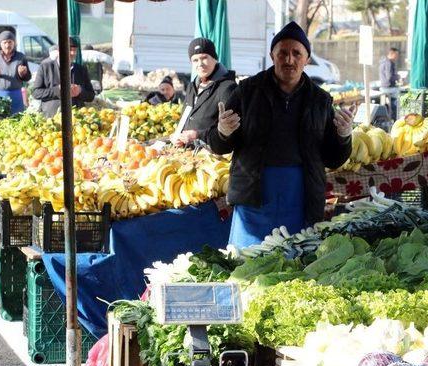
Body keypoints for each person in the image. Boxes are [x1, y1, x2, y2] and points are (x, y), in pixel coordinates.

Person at [205, 21, 354, 248]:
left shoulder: (320, 100)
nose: (289, 59)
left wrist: (343, 136)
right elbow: (218, 145)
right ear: (272, 55)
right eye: (282, 53)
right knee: (247, 260)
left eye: (297, 53)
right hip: (254, 192)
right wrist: (223, 132)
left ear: (307, 58)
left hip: (300, 194)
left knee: (295, 264)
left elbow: (333, 158)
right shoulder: (247, 91)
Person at [170, 38, 236, 148]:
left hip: (213, 157)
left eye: (204, 58)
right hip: (189, 154)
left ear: (215, 58)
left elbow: (230, 129)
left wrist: (198, 135)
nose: (200, 64)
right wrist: (178, 135)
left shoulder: (227, 87)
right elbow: (186, 117)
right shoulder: (192, 86)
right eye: (195, 60)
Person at [32, 38, 95, 118]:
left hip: (77, 120)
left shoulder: (81, 70)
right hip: (51, 119)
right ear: (59, 50)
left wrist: (80, 91)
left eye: (74, 50)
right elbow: (36, 93)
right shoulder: (45, 67)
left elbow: (91, 96)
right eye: (70, 50)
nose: (72, 53)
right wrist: (57, 90)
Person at [0, 30, 31, 114]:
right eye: (5, 42)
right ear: (0, 44)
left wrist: (23, 74)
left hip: (16, 95)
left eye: (10, 42)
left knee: (16, 120)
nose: (7, 45)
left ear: (14, 43)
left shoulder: (21, 57)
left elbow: (28, 77)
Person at [379, 47, 400, 120]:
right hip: (388, 88)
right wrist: (398, 76)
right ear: (392, 54)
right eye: (396, 55)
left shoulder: (383, 61)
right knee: (401, 93)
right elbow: (389, 77)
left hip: (383, 87)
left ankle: (393, 113)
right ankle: (396, 117)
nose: (397, 57)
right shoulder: (389, 63)